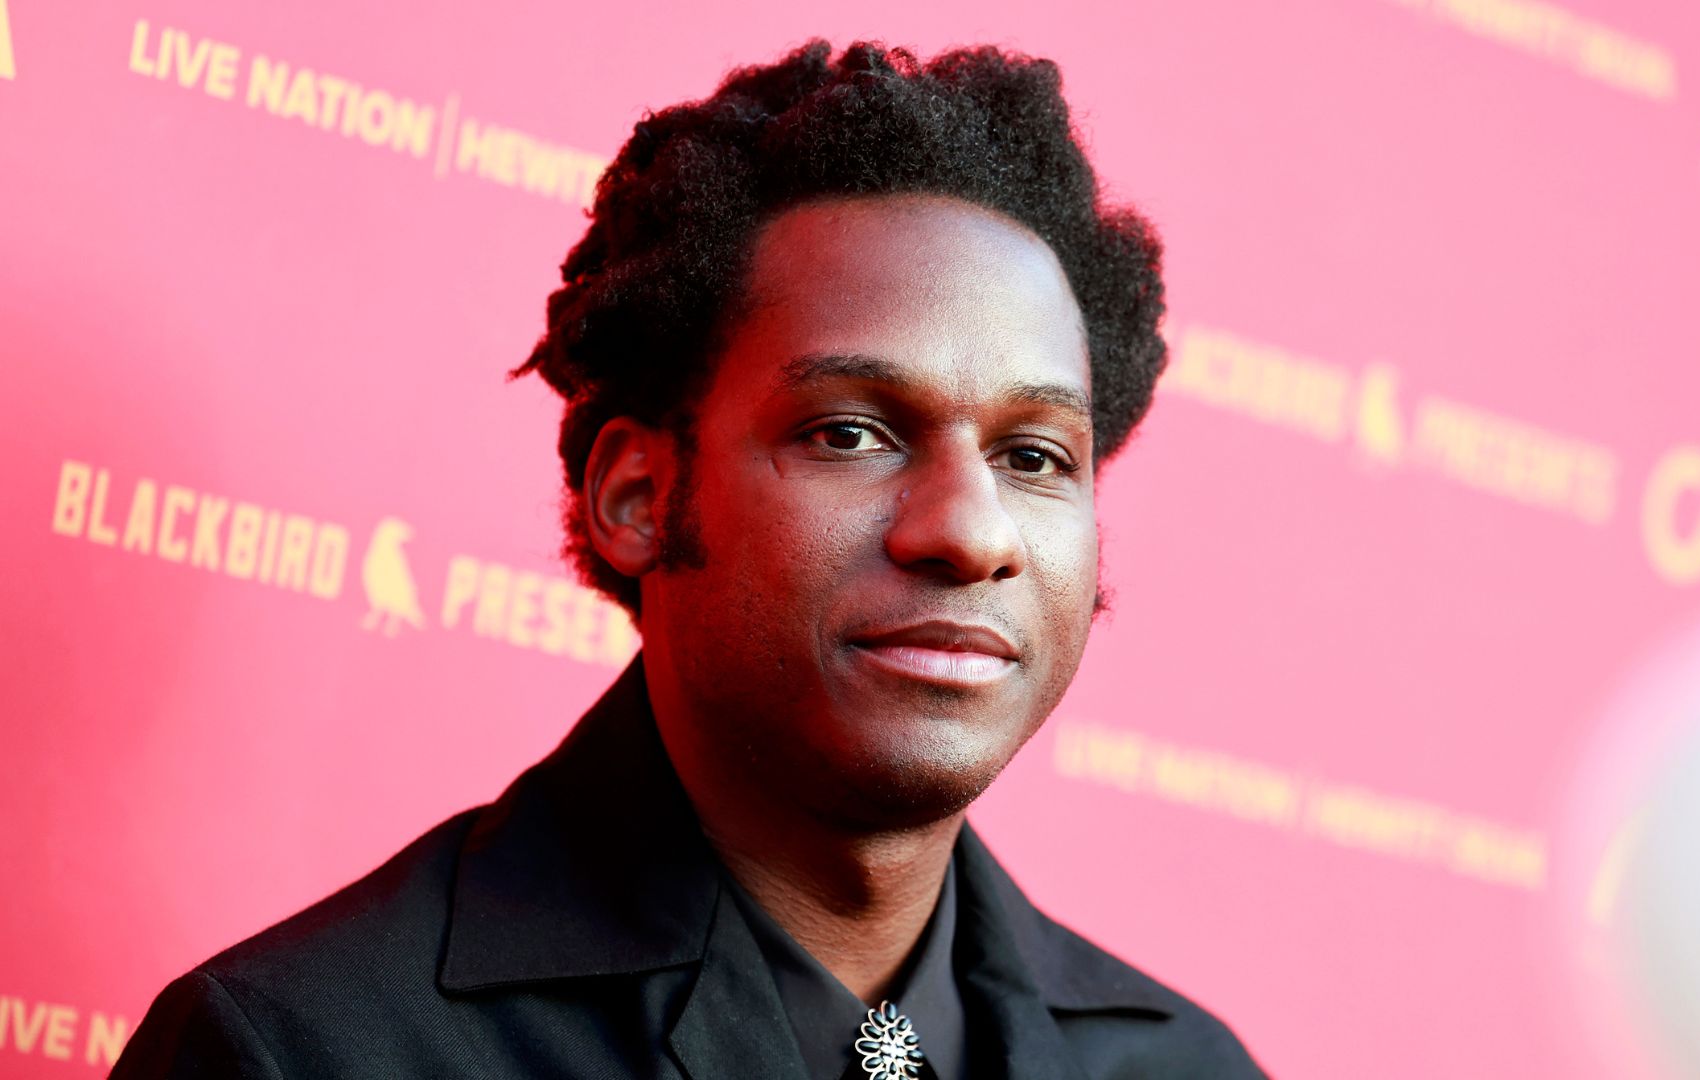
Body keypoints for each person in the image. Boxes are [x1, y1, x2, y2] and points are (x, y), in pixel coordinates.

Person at [111, 40, 1267, 1079]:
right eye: (850, 433)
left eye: (1034, 455)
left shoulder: (1191, 1069)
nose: (970, 531)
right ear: (637, 495)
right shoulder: (305, 1053)